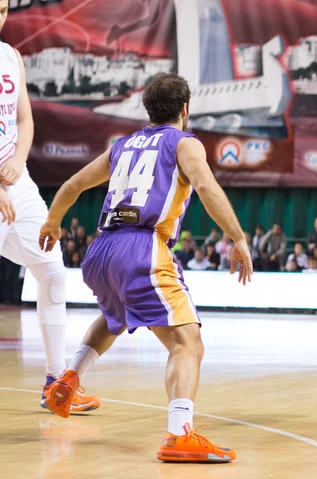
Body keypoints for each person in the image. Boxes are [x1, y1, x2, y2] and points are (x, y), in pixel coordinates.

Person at [38, 72, 253, 462]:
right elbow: (205, 187)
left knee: (113, 316)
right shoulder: (184, 143)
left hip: (100, 250)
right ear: (185, 109)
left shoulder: (122, 146)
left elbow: (70, 185)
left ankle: (67, 382)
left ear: (148, 108)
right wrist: (237, 237)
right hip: (142, 246)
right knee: (188, 343)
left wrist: (53, 222)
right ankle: (179, 434)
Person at [0, 0, 100, 412]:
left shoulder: (11, 56)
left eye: (5, 7)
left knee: (53, 272)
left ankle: (56, 383)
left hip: (15, 181)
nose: (0, 14)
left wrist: (20, 160)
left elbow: (24, 120)